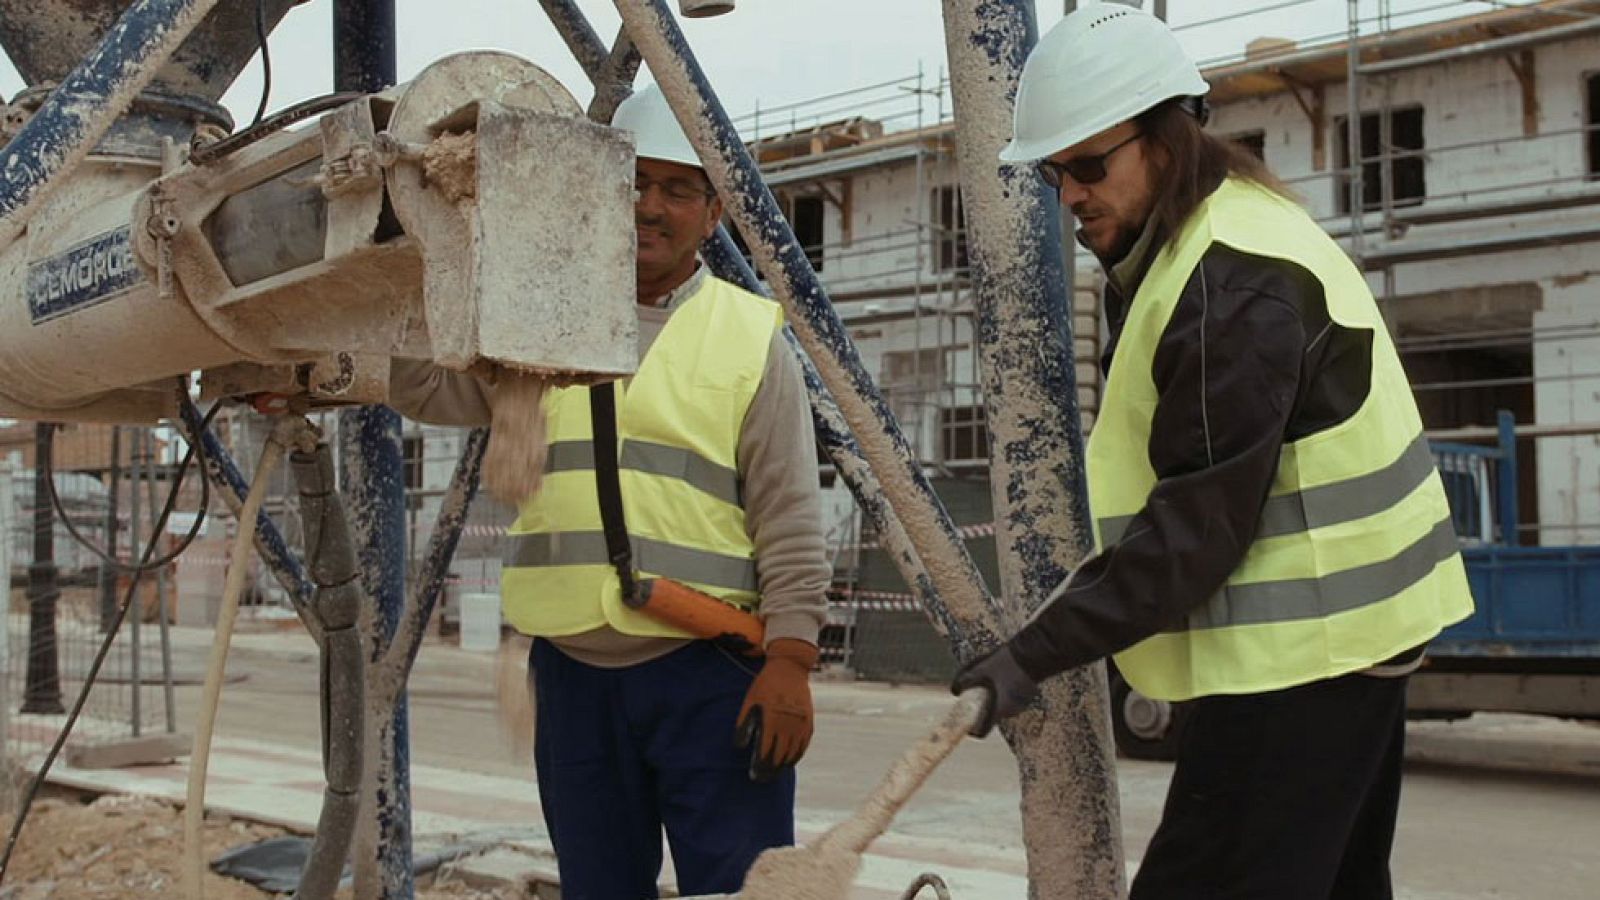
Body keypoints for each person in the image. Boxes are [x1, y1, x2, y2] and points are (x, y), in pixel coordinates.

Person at [950, 4, 1475, 898]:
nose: (1069, 194)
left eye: (1087, 166)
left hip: (1303, 662)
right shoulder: (1222, 236)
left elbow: (1197, 523)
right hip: (1345, 647)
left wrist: (1033, 651)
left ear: (1168, 137)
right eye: (1052, 173)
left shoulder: (1227, 285)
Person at [389, 84, 830, 899]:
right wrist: (433, 245)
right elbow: (424, 385)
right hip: (573, 678)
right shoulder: (528, 326)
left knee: (734, 892)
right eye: (630, 182)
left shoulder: (747, 339)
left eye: (676, 188)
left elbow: (791, 513)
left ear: (712, 215)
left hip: (709, 670)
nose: (648, 207)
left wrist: (792, 659)